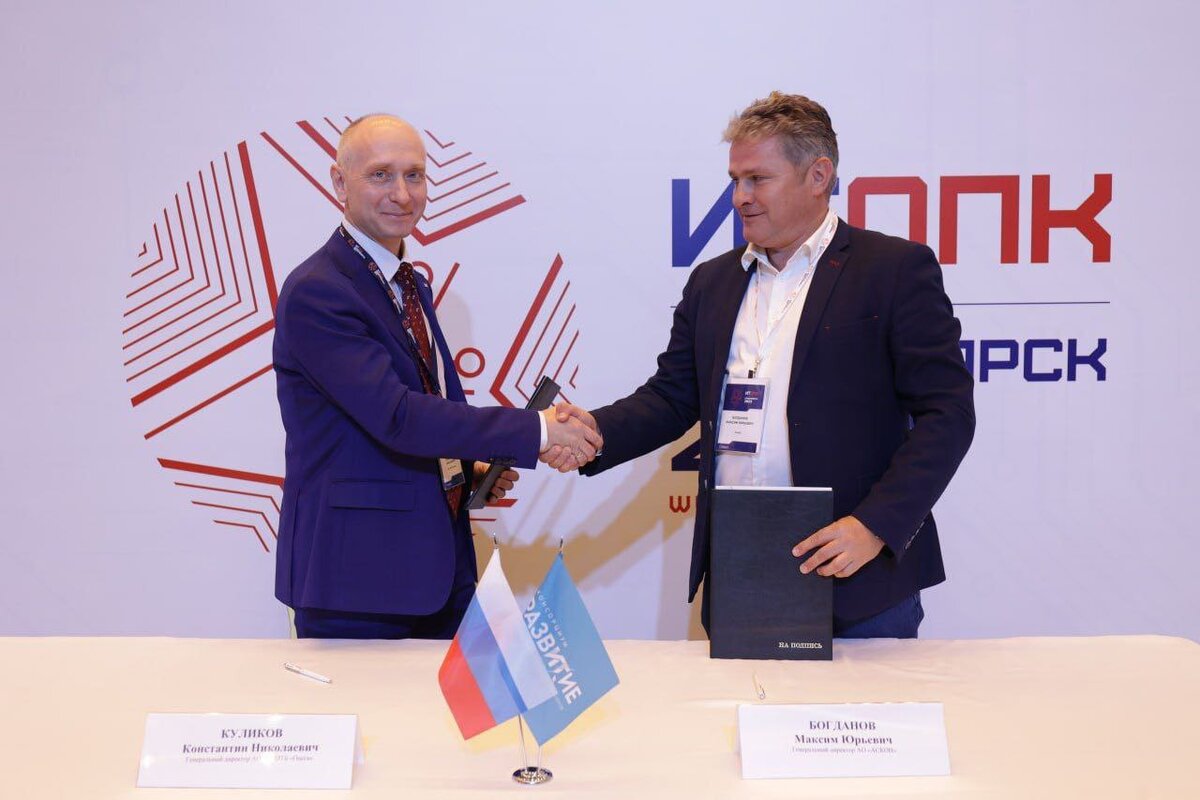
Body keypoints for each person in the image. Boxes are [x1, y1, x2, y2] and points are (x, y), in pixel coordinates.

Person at [551, 92, 975, 638]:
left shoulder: (892, 269)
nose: (740, 198)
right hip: (740, 568)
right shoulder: (712, 281)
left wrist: (874, 526)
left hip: (856, 572)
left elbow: (947, 414)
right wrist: (594, 431)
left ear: (818, 175)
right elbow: (672, 396)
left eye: (757, 179)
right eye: (735, 180)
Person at [272, 114, 601, 639]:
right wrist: (538, 431)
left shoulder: (408, 283)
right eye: (381, 175)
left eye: (415, 175)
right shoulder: (320, 291)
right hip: (357, 579)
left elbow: (421, 405)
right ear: (339, 182)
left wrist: (464, 469)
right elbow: (398, 416)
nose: (402, 194)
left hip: (437, 566)